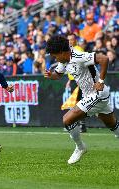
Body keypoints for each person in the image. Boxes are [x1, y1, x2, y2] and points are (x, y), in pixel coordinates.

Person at [44, 35, 119, 165]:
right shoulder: (64, 60)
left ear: (62, 52)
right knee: (112, 125)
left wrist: (100, 81)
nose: (55, 58)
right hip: (90, 95)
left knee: (67, 119)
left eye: (55, 56)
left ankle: (80, 147)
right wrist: (51, 76)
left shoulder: (78, 56)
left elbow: (104, 59)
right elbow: (59, 75)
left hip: (97, 94)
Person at [65, 33, 87, 133]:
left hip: (79, 80)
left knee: (78, 103)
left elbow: (82, 66)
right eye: (68, 40)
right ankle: (79, 124)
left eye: (71, 40)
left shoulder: (78, 50)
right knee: (76, 103)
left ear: (75, 40)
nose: (70, 41)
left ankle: (79, 124)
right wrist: (69, 80)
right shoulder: (70, 51)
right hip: (74, 80)